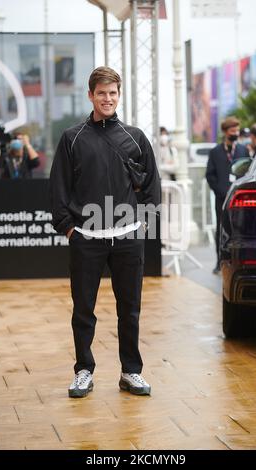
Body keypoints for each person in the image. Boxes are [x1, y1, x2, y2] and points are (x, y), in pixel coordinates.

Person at [50, 66, 161, 398]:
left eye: (113, 93)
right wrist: (69, 229)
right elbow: (58, 188)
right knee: (83, 309)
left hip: (128, 237)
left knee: (130, 309)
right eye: (101, 93)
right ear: (91, 95)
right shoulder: (73, 137)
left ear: (119, 94)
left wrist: (144, 225)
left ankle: (131, 372)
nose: (107, 98)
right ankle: (84, 370)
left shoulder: (135, 137)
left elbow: (151, 186)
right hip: (87, 239)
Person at [206, 116, 250, 275]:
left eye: (237, 131)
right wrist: (220, 191)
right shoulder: (216, 152)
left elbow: (247, 173)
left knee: (240, 230)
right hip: (221, 199)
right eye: (232, 131)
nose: (236, 133)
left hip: (240, 199)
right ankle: (219, 262)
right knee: (221, 230)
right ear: (225, 132)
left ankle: (240, 261)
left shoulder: (243, 150)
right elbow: (210, 175)